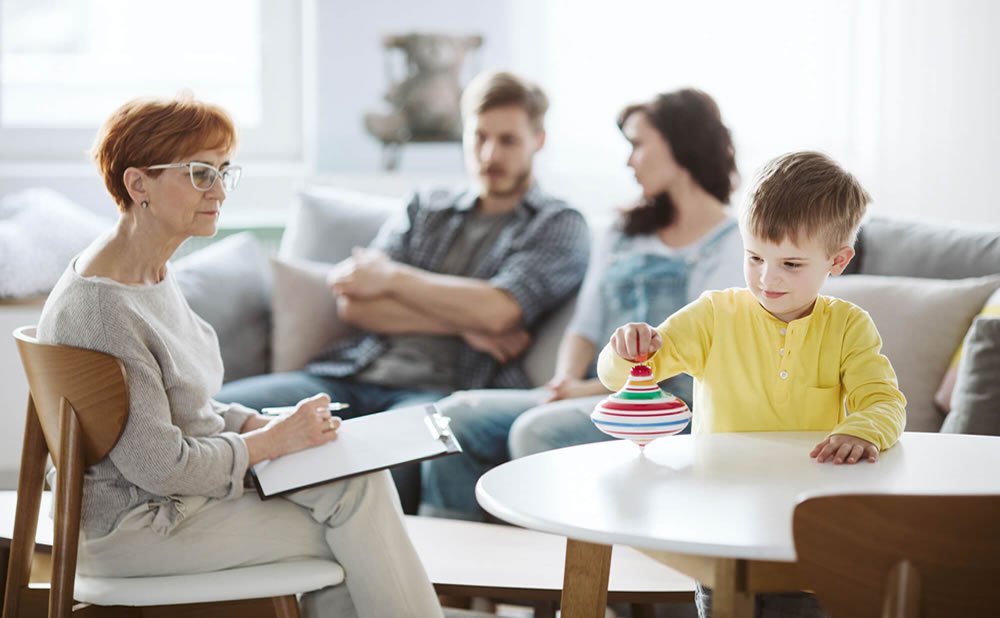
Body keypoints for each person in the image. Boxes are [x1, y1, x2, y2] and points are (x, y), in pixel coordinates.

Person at [36, 95, 443, 618]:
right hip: (136, 528)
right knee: (358, 531)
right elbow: (163, 466)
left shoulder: (148, 269)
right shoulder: (102, 307)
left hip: (173, 505)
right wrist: (271, 441)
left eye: (225, 172)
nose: (220, 191)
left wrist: (253, 421)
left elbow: (179, 405)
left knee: (357, 477)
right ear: (138, 185)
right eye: (201, 174)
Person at [216, 70, 589, 514]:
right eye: (479, 137)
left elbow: (499, 312)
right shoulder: (425, 207)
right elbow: (353, 301)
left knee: (386, 462)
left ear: (538, 140)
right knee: (220, 414)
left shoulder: (557, 224)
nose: (490, 154)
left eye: (508, 140)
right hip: (352, 373)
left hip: (439, 392)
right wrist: (461, 324)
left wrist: (392, 278)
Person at [599, 151, 907, 618]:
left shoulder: (849, 326)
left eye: (791, 264)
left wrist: (861, 429)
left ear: (838, 261)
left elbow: (884, 402)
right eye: (755, 256)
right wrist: (626, 350)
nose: (767, 278)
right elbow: (626, 376)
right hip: (722, 524)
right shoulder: (713, 314)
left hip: (809, 533)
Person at [421, 88, 745, 521]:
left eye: (638, 144)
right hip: (588, 392)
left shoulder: (733, 243)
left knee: (539, 430)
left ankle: (562, 583)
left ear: (680, 144)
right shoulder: (621, 231)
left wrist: (581, 391)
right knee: (452, 417)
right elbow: (587, 322)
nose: (629, 161)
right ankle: (456, 575)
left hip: (667, 406)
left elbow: (689, 363)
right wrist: (563, 381)